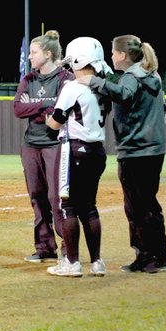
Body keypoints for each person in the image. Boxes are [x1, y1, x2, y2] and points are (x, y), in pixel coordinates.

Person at [83, 34, 166, 273]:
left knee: (138, 207)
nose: (111, 56)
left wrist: (93, 82)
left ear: (122, 55)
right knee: (147, 205)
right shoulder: (152, 76)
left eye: (113, 52)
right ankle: (157, 255)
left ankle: (151, 257)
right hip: (153, 149)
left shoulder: (132, 76)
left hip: (136, 151)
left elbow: (124, 94)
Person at [45, 37, 111, 277]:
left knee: (68, 206)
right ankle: (97, 262)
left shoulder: (73, 87)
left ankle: (72, 263)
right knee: (89, 207)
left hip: (74, 149)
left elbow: (55, 122)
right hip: (97, 150)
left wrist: (46, 119)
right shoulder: (103, 85)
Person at [13, 30, 73, 263]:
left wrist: (35, 104)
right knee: (37, 196)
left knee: (56, 197)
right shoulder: (28, 79)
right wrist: (45, 105)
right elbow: (18, 109)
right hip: (31, 144)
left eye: (33, 52)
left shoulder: (64, 78)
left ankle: (69, 248)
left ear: (47, 54)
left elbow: (62, 107)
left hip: (55, 144)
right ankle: (45, 248)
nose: (29, 57)